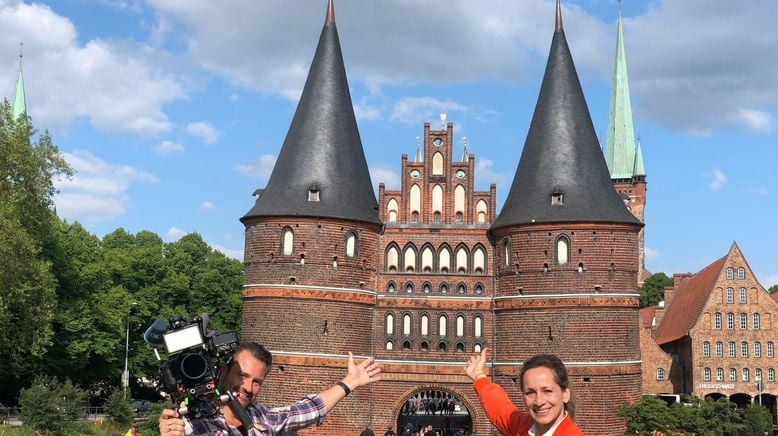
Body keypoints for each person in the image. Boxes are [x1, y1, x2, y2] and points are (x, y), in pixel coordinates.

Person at [159, 342, 382, 435]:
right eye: (242, 375)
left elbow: (308, 409)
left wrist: (350, 382)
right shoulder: (189, 423)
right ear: (223, 372)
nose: (248, 387)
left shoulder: (263, 419)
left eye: (257, 381)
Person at [463, 348, 583, 436]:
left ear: (565, 394)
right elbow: (500, 409)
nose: (539, 401)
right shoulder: (523, 427)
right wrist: (479, 376)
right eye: (530, 392)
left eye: (547, 391)